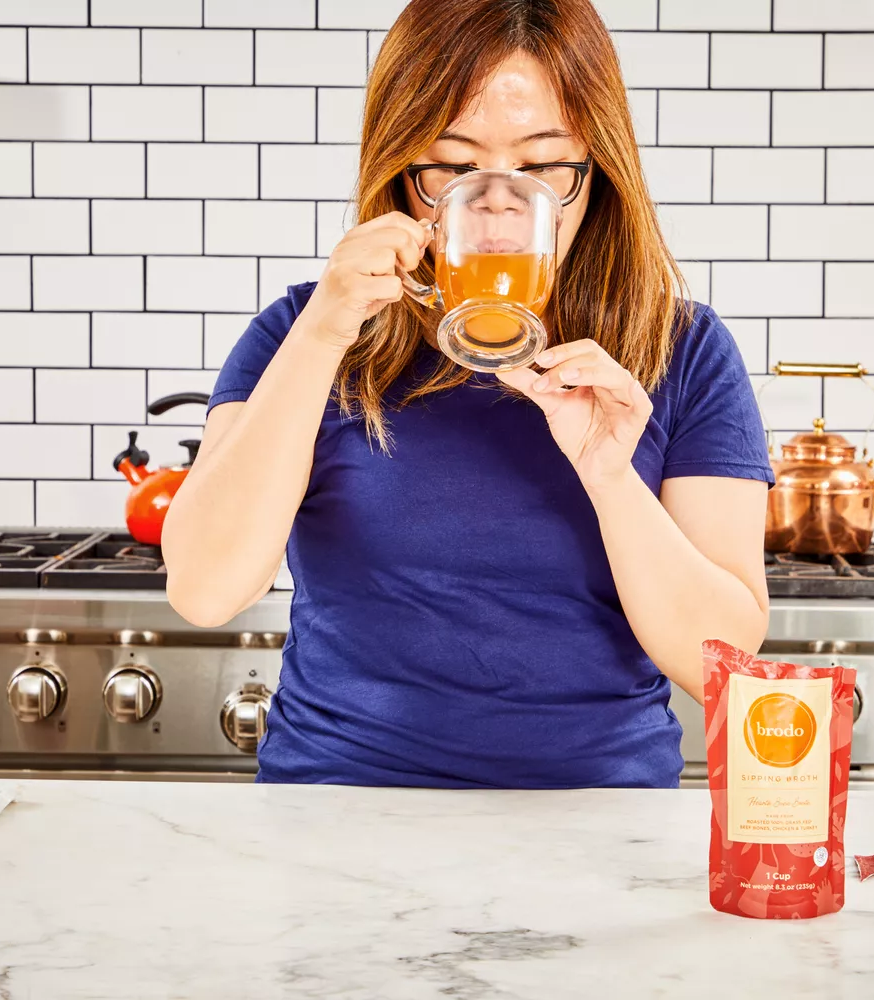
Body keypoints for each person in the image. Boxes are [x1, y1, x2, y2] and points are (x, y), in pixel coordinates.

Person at [163, 0, 773, 788]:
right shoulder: (304, 332)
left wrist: (611, 478)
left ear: (599, 170)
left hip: (601, 825)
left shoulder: (681, 348)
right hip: (337, 818)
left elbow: (719, 661)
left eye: (544, 166)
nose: (497, 209)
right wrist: (322, 334)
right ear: (399, 171)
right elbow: (208, 590)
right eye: (452, 168)